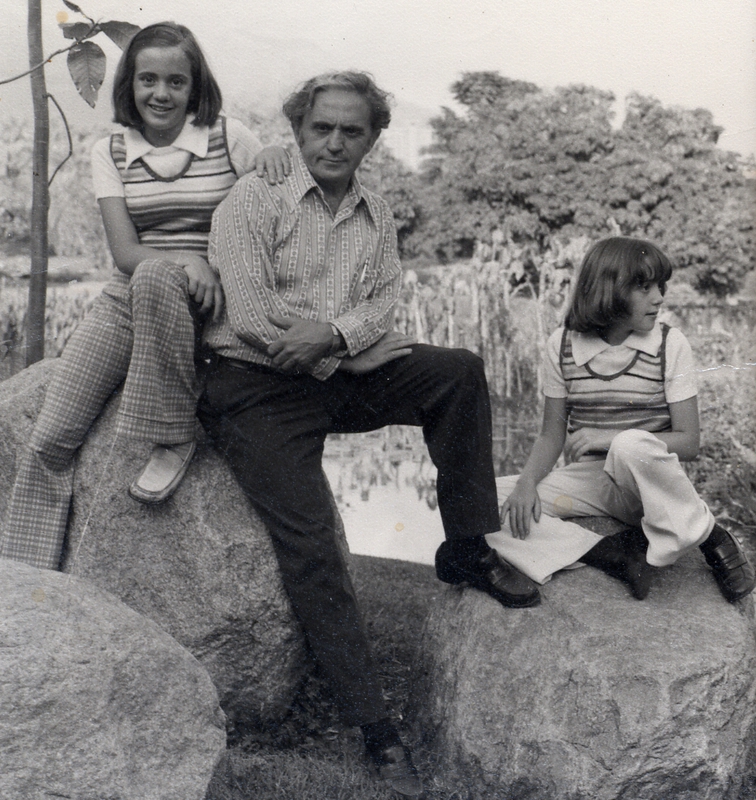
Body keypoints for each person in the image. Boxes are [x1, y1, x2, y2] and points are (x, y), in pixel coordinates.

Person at [199, 70, 539, 797]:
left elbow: (384, 298)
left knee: (458, 371)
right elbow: (256, 321)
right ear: (298, 128)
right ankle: (376, 730)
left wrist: (339, 337)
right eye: (322, 127)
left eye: (353, 130)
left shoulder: (375, 211)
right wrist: (344, 346)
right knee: (313, 543)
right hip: (257, 388)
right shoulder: (249, 203)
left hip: (336, 371)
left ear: (374, 138)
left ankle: (468, 547)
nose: (335, 142)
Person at [0, 22, 288, 570]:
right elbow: (126, 254)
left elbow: (277, 212)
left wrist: (274, 154)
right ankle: (26, 583)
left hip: (212, 302)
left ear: (195, 86)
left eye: (176, 81)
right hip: (129, 297)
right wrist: (185, 258)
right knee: (51, 438)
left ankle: (173, 434)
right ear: (128, 85)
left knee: (160, 280)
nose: (161, 93)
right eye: (147, 79)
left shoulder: (230, 135)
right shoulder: (110, 149)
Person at [487, 236, 755, 603]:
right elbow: (551, 435)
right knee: (480, 501)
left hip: (647, 484)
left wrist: (608, 437)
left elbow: (689, 442)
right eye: (644, 288)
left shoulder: (669, 345)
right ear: (608, 290)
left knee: (630, 444)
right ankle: (608, 552)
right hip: (592, 484)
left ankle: (711, 536)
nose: (659, 298)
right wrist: (526, 484)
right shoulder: (561, 345)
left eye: (660, 286)